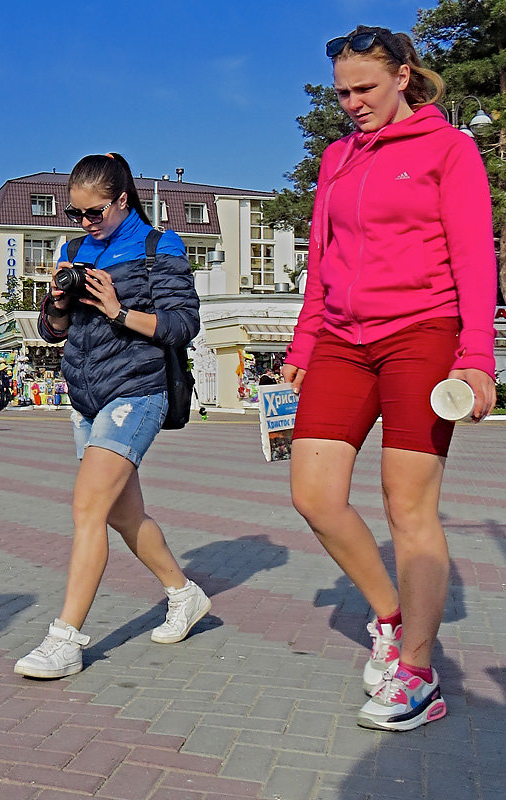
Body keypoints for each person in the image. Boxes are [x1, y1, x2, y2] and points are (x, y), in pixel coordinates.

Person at [281, 26, 497, 732]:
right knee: (313, 494)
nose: (351, 103)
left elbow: (473, 259)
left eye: (364, 89)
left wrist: (477, 358)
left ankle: (420, 672)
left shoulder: (449, 148)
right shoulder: (336, 159)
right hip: (343, 339)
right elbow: (323, 258)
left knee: (408, 508)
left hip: (422, 334)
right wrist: (304, 341)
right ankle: (390, 616)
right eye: (342, 92)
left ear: (404, 77)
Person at [14, 152, 211, 680]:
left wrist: (117, 310)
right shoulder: (76, 249)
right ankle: (184, 594)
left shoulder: (157, 247)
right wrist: (57, 302)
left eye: (95, 212)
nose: (84, 224)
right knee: (123, 515)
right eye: (76, 214)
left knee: (87, 508)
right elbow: (54, 333)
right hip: (86, 395)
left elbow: (182, 325)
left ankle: (65, 640)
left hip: (138, 392)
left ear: (123, 200)